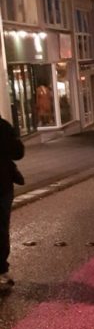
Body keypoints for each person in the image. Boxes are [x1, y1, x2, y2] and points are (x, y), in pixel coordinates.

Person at [0, 115, 25, 288]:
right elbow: (18, 152)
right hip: (1, 185)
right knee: (1, 228)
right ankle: (1, 270)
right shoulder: (2, 126)